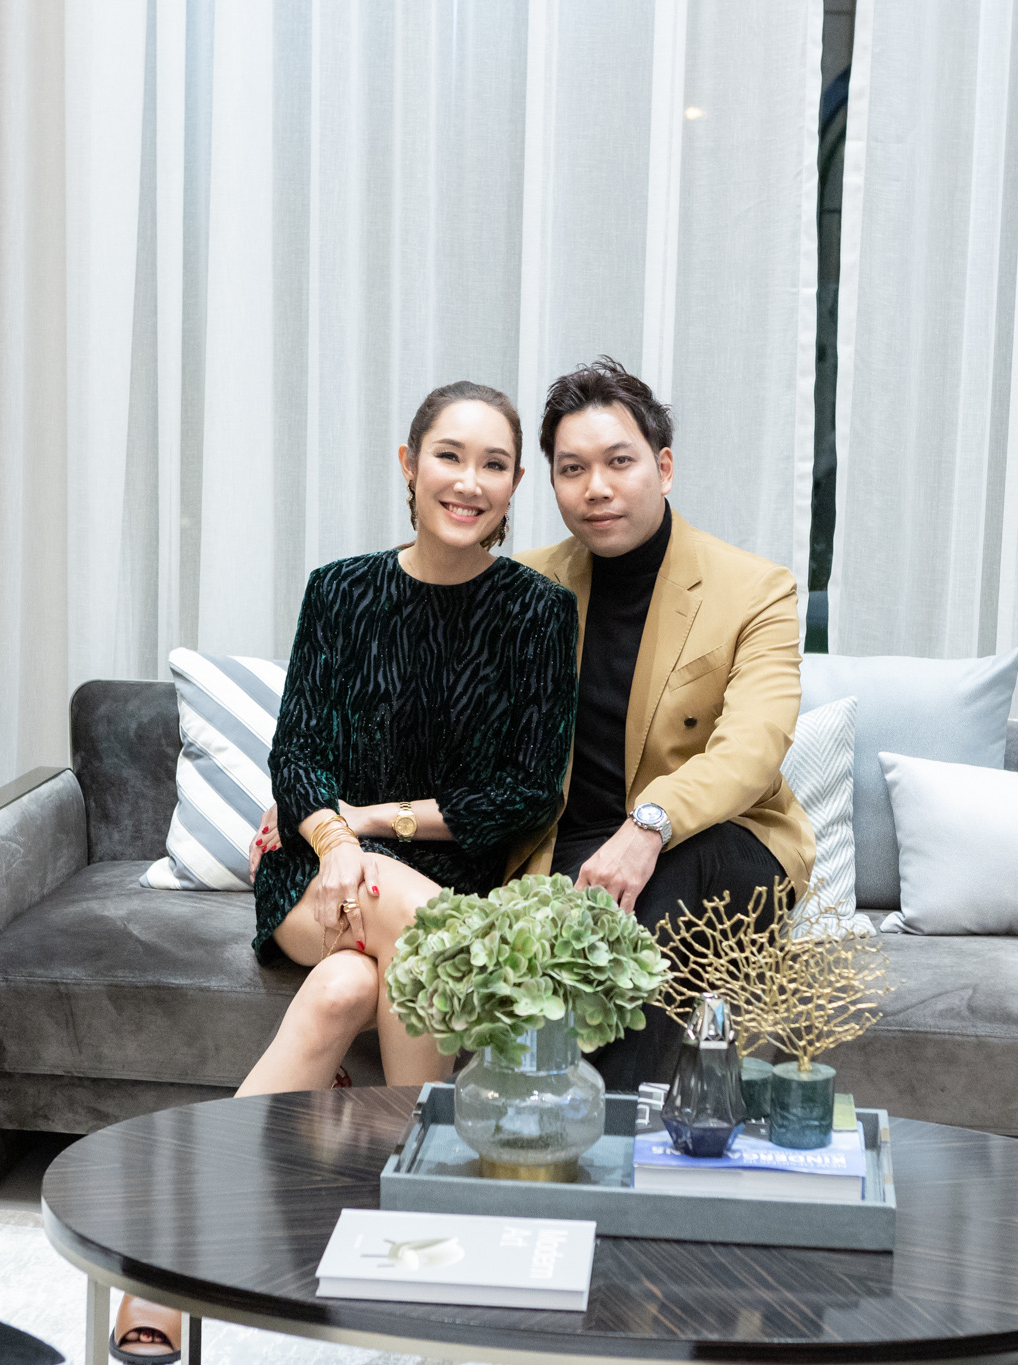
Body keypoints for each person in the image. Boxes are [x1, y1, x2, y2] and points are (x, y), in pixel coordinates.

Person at [109, 381, 578, 1363]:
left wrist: (370, 823)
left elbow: (525, 792)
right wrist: (335, 843)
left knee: (343, 992)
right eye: (449, 455)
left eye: (494, 464)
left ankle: (161, 1262)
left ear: (514, 486)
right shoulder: (339, 591)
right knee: (429, 933)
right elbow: (300, 755)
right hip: (318, 879)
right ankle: (424, 1229)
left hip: (431, 877)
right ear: (408, 464)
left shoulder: (538, 613)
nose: (469, 481)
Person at [510, 357, 815, 1093]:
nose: (597, 487)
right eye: (572, 469)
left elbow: (752, 749)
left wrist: (648, 826)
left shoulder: (754, 588)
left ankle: (607, 1123)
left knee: (664, 878)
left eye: (620, 461)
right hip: (572, 847)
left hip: (722, 842)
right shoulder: (526, 584)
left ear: (664, 467)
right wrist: (329, 810)